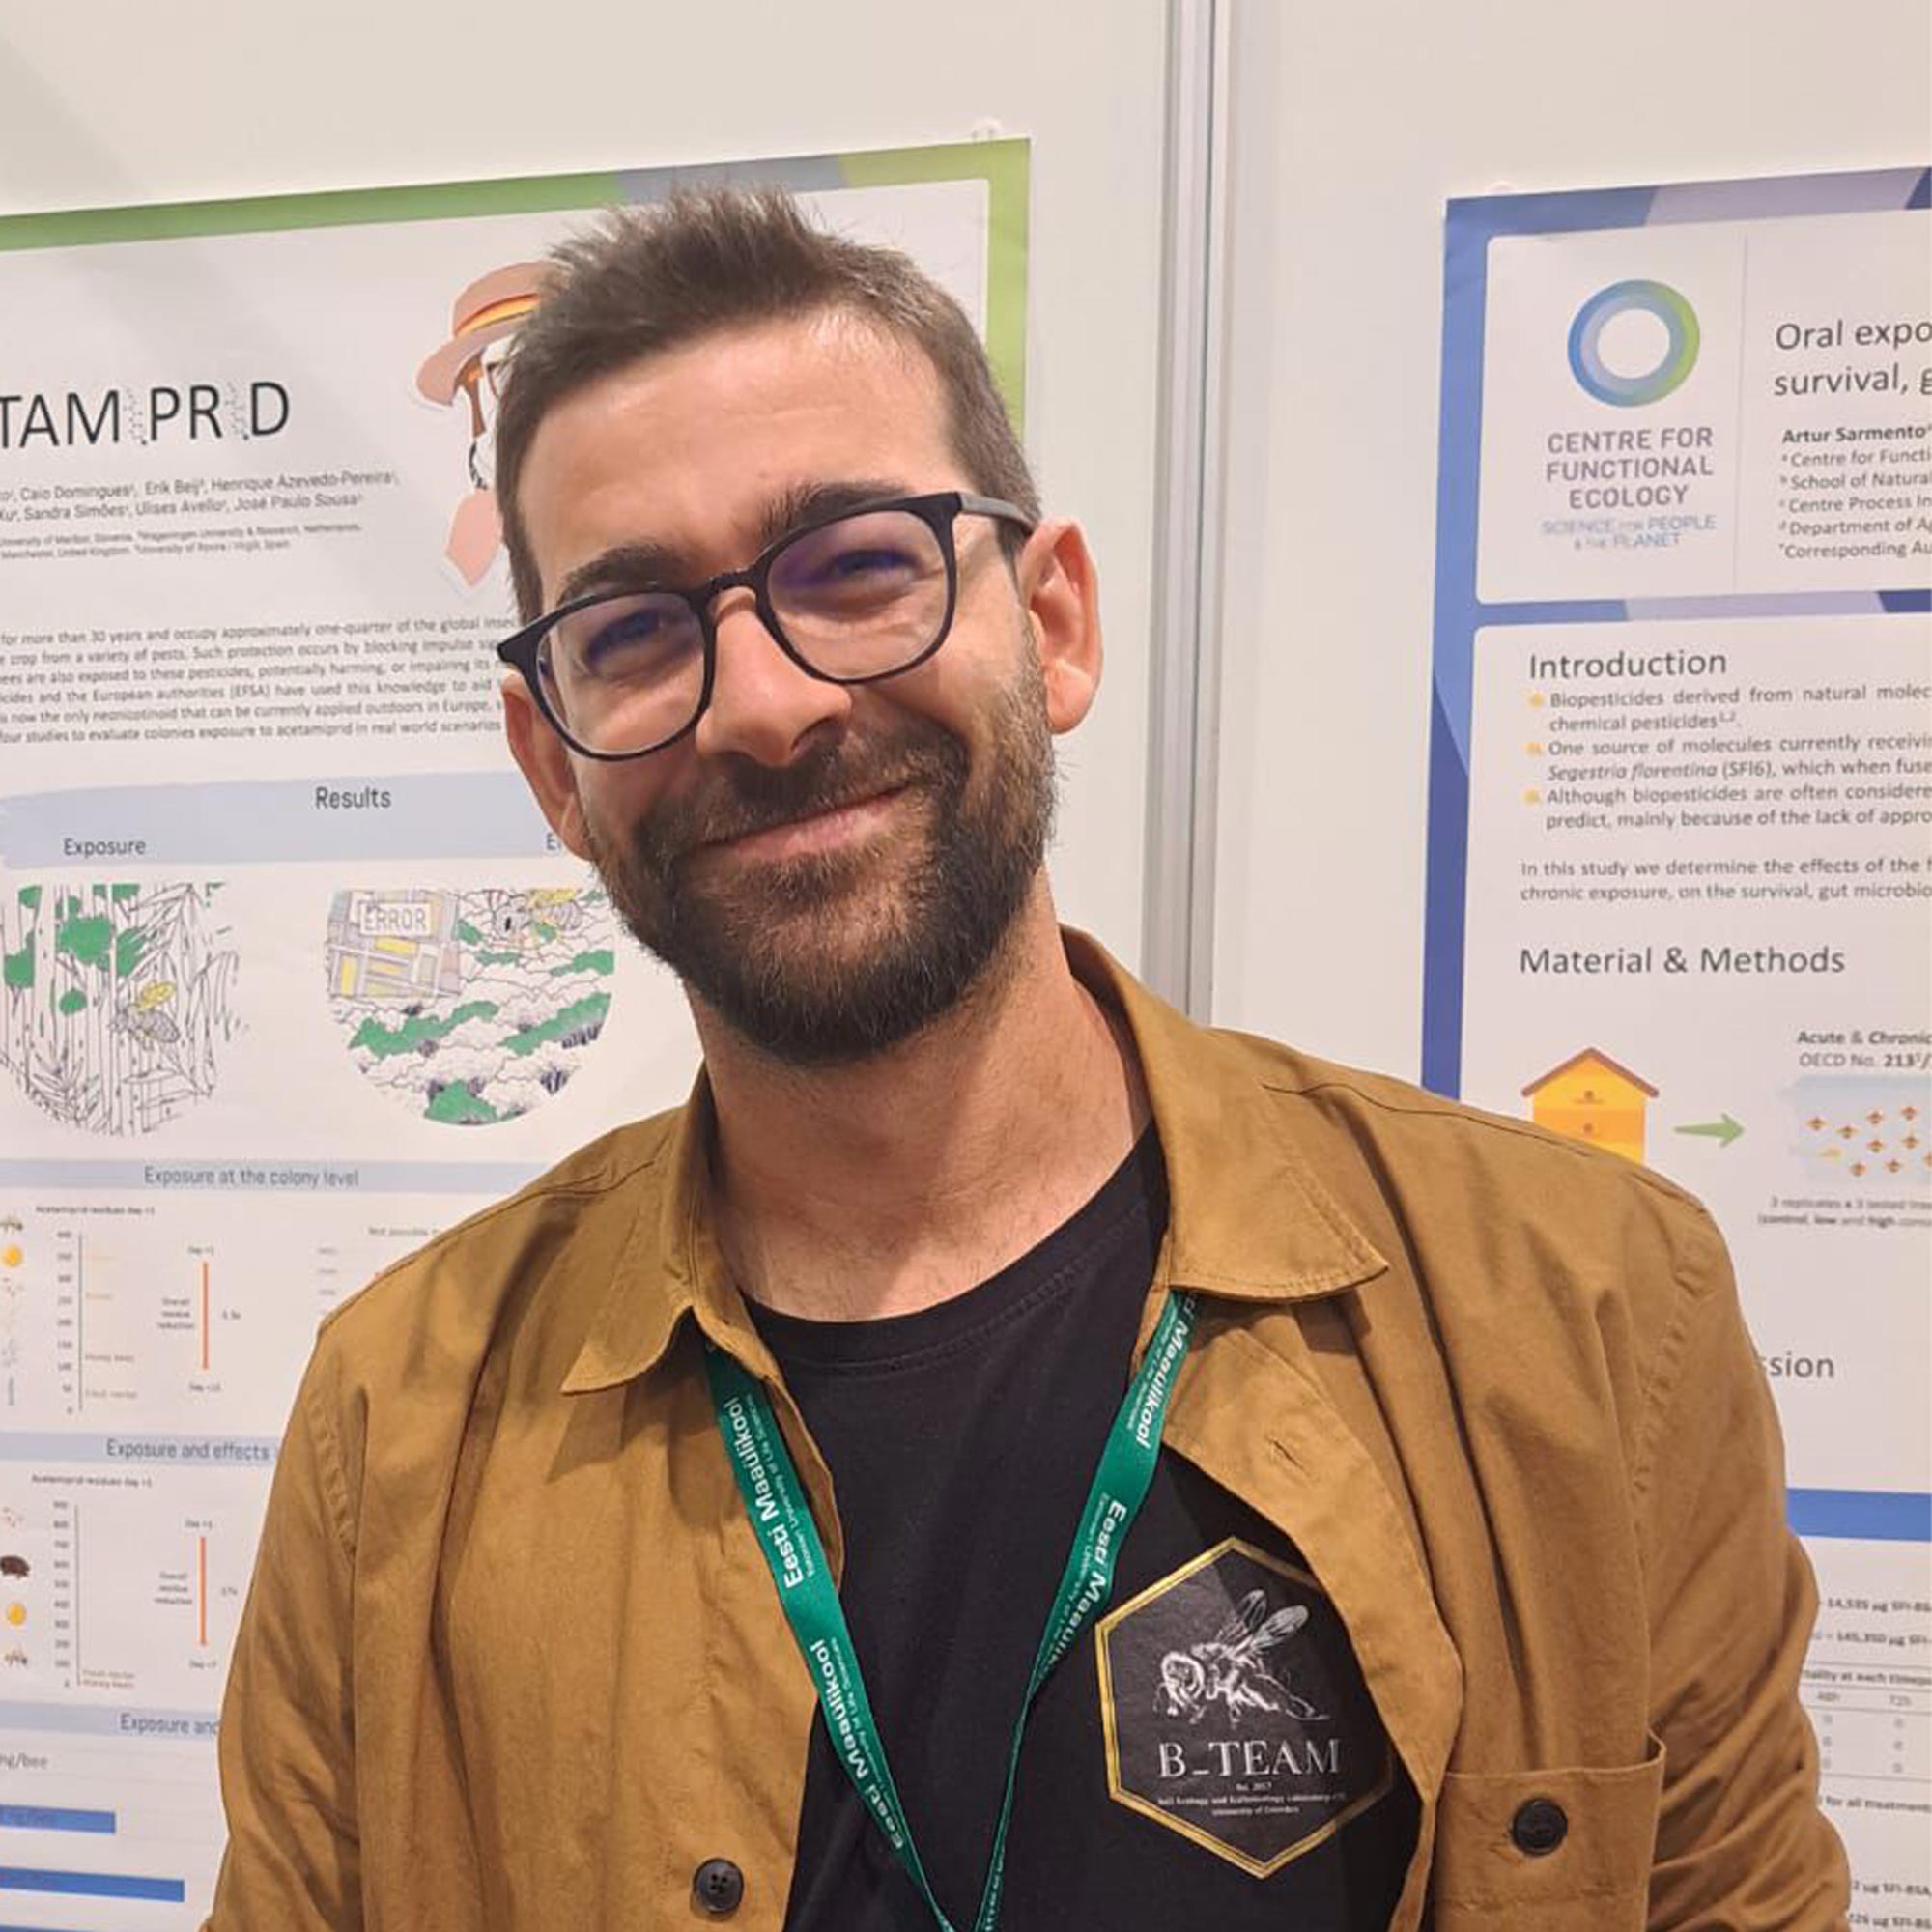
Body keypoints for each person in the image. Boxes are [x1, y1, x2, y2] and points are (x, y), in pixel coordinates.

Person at [207, 190, 1849, 1931]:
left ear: (1050, 622)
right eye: (634, 633)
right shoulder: (395, 1426)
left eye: (854, 568)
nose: (765, 701)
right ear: (557, 771)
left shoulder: (1584, 1317)